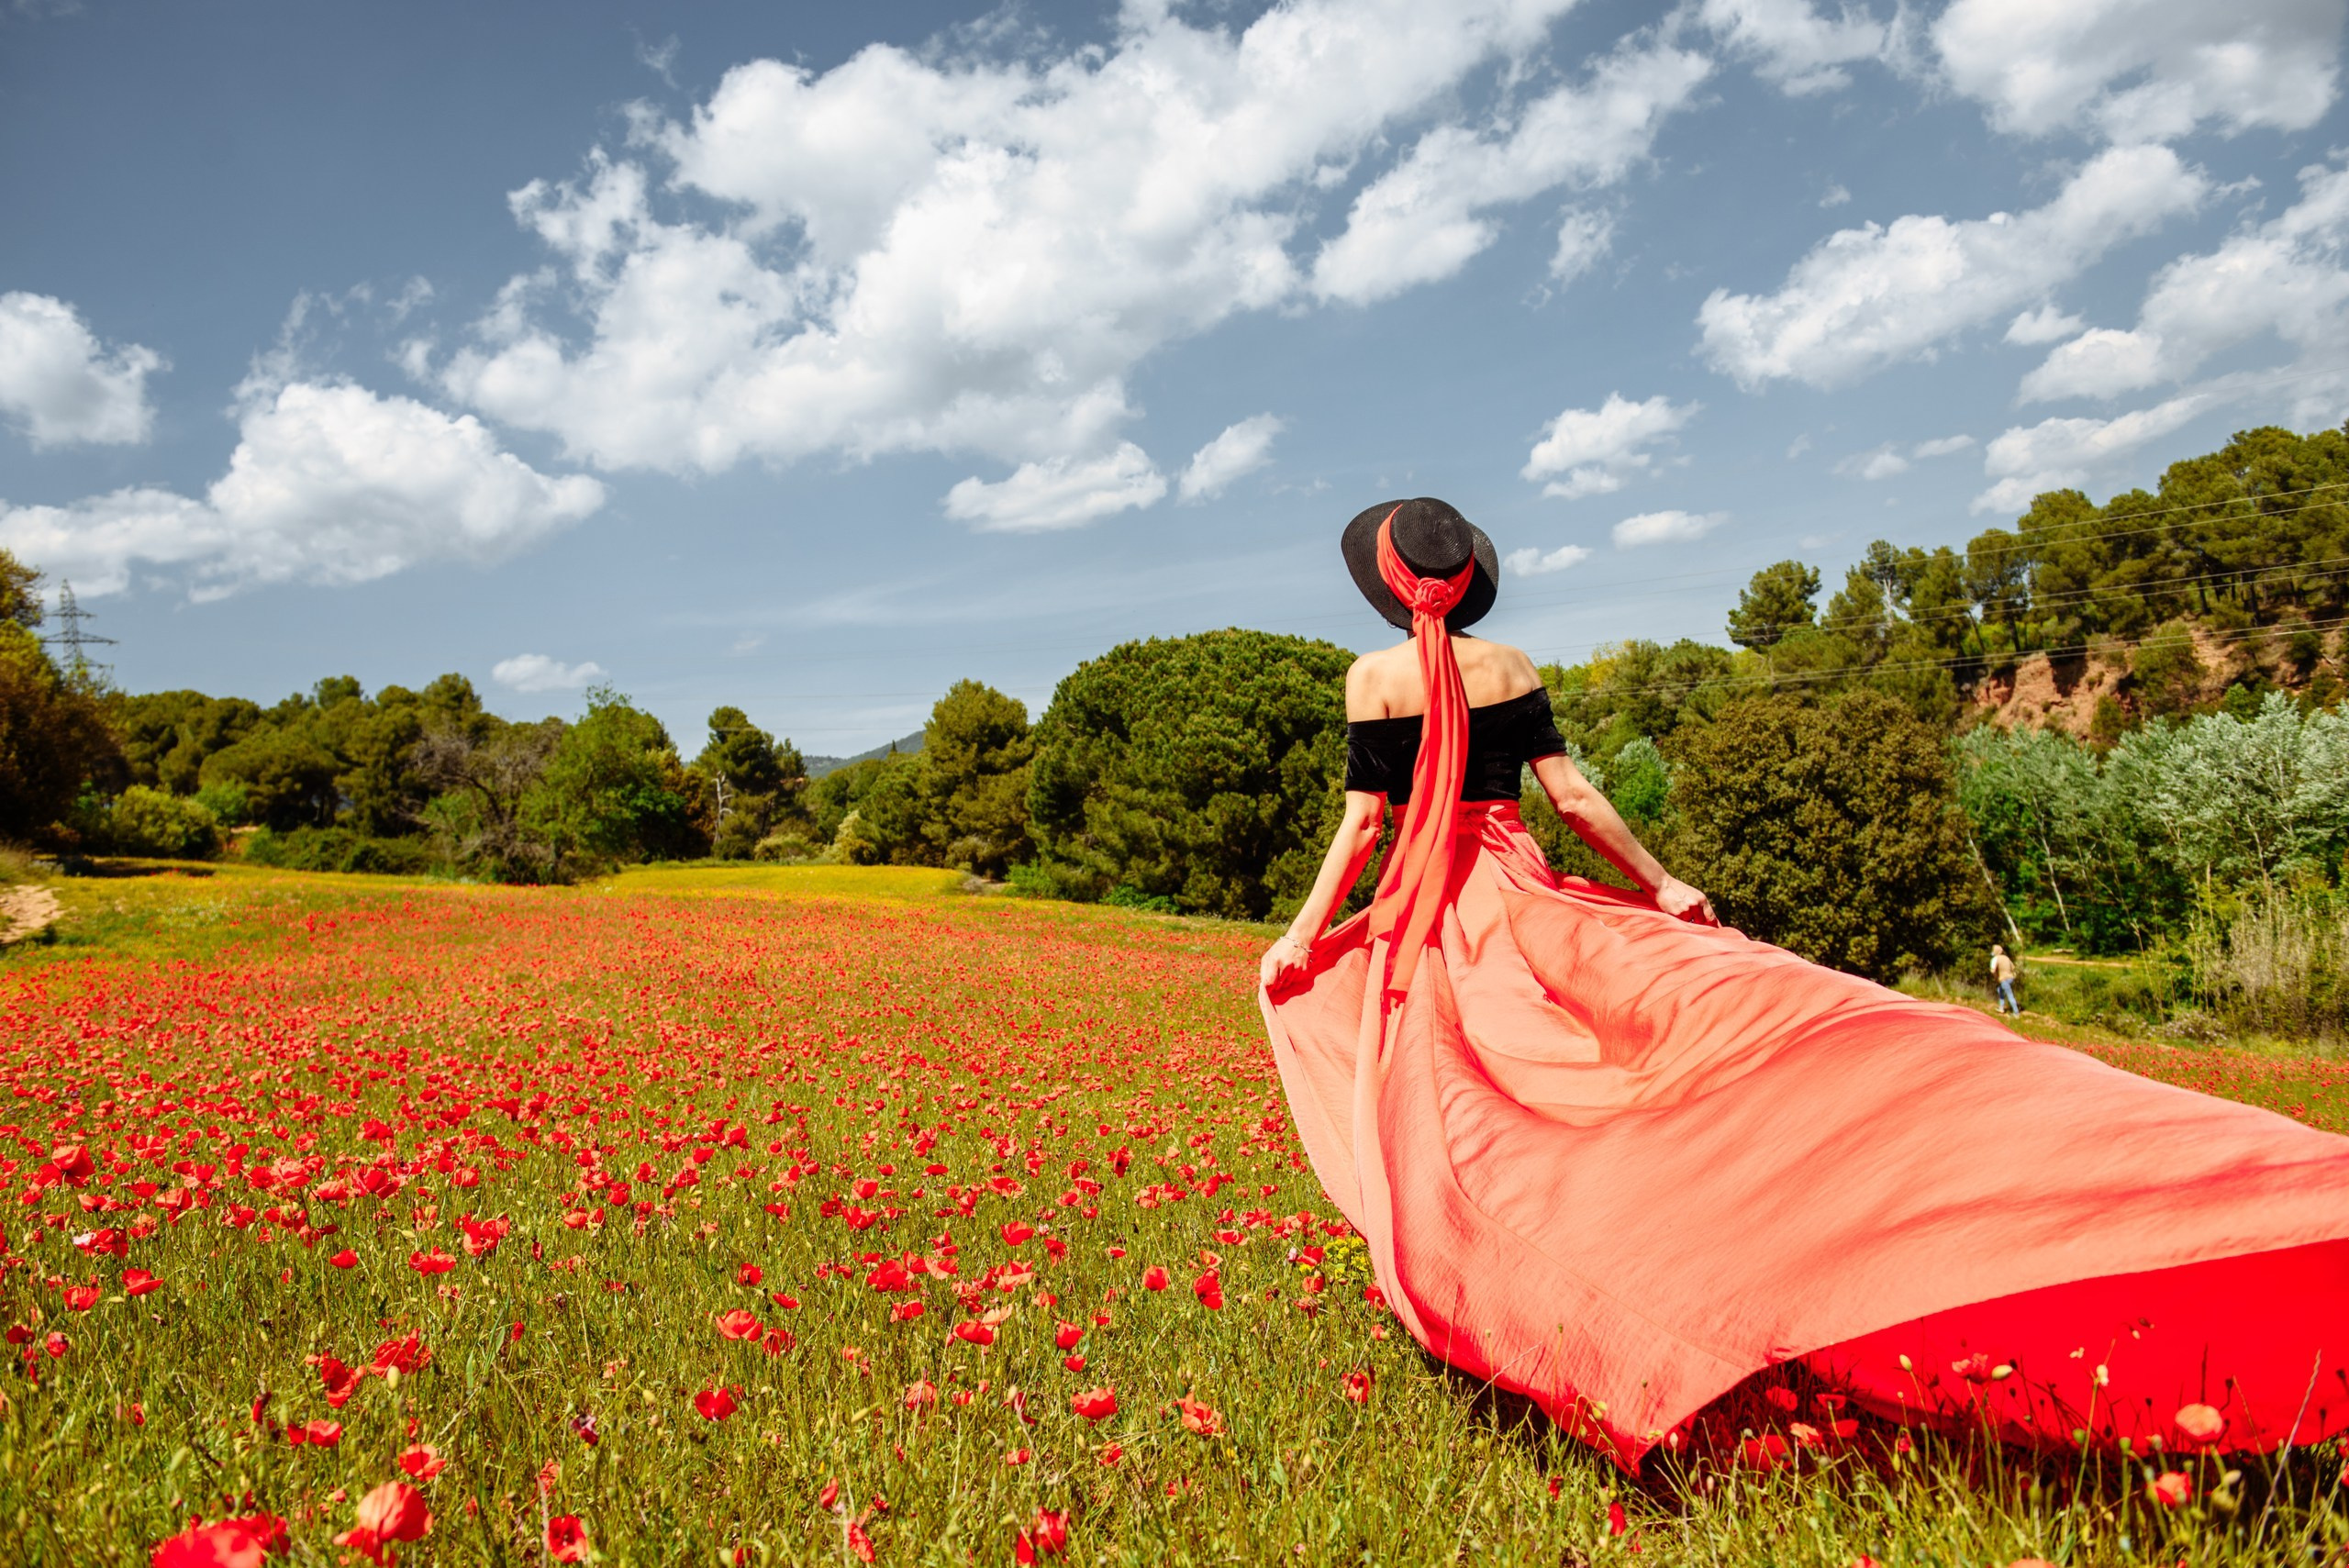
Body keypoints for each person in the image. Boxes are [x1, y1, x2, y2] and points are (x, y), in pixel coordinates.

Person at [1258, 498, 2349, 1470]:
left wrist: (1303, 938)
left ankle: (1553, 1290)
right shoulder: (1515, 665)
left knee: (1474, 1102)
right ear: (1465, 576)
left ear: (1385, 585)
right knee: (1673, 1047)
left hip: (1438, 905)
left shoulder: (1372, 679)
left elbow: (1363, 826)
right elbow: (1575, 801)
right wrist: (1665, 883)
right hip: (1528, 884)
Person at [1991, 942, 2021, 1014]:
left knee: (2009, 994)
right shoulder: (2006, 958)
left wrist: (1996, 978)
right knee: (2000, 990)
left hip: (2003, 979)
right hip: (2011, 978)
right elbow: (2013, 967)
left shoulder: (1995, 958)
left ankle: (2016, 1012)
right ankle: (2001, 1008)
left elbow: (1992, 970)